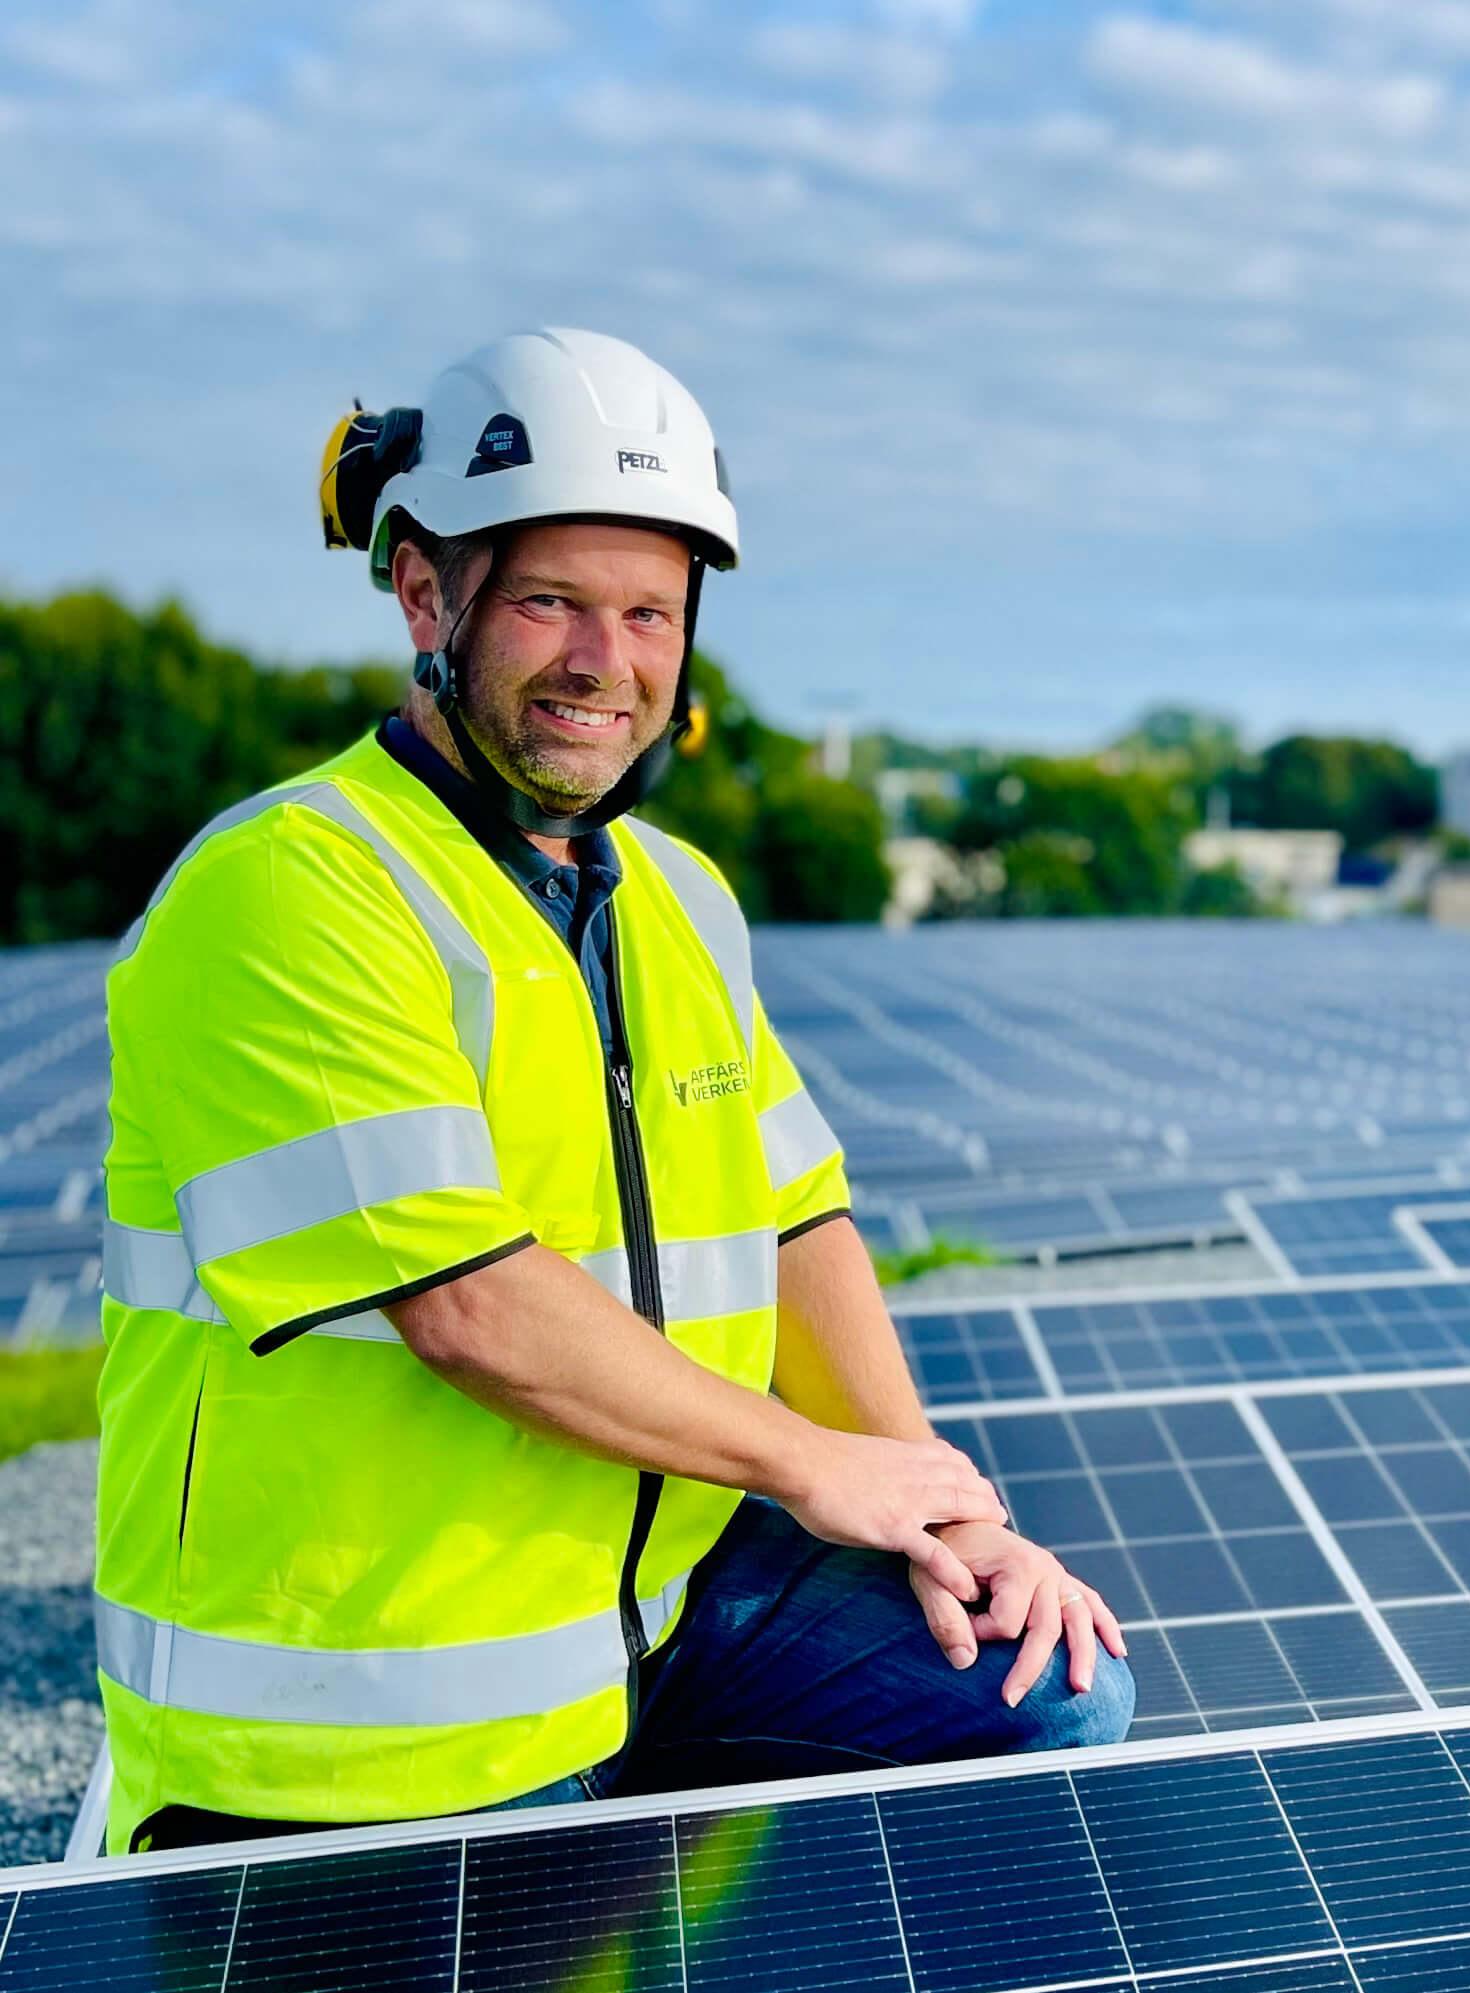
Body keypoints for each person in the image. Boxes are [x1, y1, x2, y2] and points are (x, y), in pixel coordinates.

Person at [95, 328, 1130, 1855]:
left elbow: (796, 1218)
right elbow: (466, 1303)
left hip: (649, 1614)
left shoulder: (675, 894)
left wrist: (943, 1505)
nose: (608, 660)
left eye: (651, 611)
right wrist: (812, 1465)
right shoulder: (293, 886)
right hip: (371, 1705)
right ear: (425, 594)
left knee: (1046, 1685)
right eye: (552, 603)